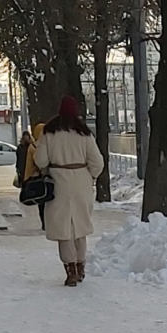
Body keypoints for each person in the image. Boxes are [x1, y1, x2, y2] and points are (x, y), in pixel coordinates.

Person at [34, 97, 103, 286]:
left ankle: (70, 269)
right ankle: (81, 267)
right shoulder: (85, 134)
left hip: (58, 182)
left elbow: (40, 160)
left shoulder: (49, 132)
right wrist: (90, 177)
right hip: (81, 181)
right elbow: (98, 162)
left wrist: (49, 170)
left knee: (63, 228)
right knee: (80, 226)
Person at [23, 124, 47, 231]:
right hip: (38, 177)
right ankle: (45, 223)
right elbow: (39, 161)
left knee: (43, 202)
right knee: (43, 201)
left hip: (40, 177)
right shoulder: (34, 147)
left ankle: (45, 222)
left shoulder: (36, 145)